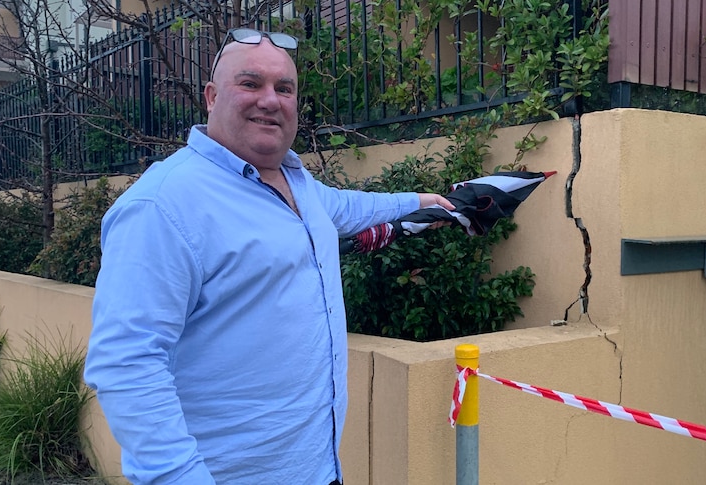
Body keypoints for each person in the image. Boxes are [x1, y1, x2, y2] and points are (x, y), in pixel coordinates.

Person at [83, 28, 454, 484]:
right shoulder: (162, 205)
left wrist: (422, 202)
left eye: (284, 88)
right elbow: (127, 364)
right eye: (250, 83)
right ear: (211, 96)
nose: (270, 99)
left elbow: (350, 207)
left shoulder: (298, 184)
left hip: (319, 471)